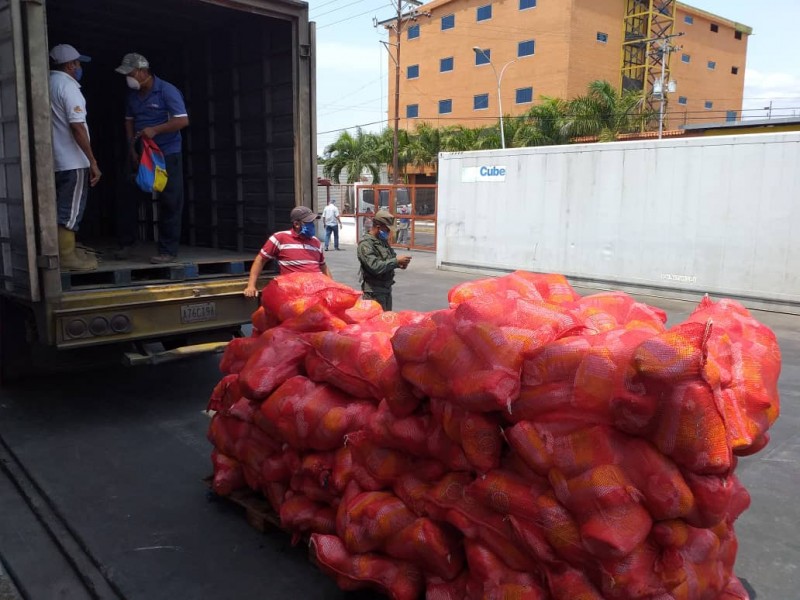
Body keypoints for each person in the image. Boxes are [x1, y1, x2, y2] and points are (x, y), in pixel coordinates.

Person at [115, 53, 189, 264]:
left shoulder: (167, 91)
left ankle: (167, 251)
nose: (127, 78)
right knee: (128, 195)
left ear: (142, 71)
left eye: (130, 73)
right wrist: (132, 150)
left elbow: (182, 120)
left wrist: (156, 130)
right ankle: (127, 243)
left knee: (170, 200)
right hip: (142, 153)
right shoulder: (132, 96)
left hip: (167, 153)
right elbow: (129, 122)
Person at [49, 44, 102, 271]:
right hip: (72, 160)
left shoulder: (48, 84)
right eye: (78, 63)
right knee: (70, 209)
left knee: (57, 205)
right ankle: (66, 256)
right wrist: (92, 160)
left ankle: (63, 252)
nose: (80, 67)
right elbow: (77, 127)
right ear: (71, 65)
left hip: (54, 160)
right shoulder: (69, 88)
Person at [244, 206, 331, 297]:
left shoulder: (316, 241)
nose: (312, 225)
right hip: (295, 293)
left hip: (317, 292)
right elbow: (260, 260)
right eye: (308, 222)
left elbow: (323, 266)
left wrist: (333, 287)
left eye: (312, 222)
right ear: (297, 224)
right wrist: (251, 285)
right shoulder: (280, 238)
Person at [357, 210, 411, 311]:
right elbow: (375, 267)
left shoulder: (382, 242)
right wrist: (395, 261)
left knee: (387, 322)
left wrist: (400, 263)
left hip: (386, 289)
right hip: (373, 293)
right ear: (378, 227)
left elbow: (390, 258)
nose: (389, 232)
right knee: (375, 324)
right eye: (387, 229)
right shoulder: (366, 244)